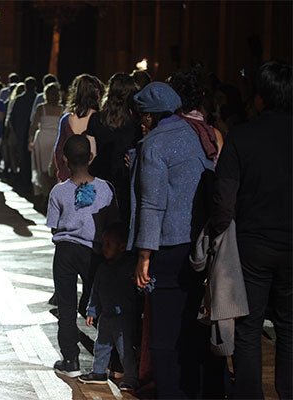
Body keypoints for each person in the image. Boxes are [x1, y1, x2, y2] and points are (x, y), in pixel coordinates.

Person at [130, 82, 227, 398]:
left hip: (168, 246)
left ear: (148, 117)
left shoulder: (155, 143)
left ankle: (170, 392)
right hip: (200, 244)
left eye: (142, 116)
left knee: (163, 331)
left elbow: (152, 203)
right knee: (192, 324)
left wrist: (144, 254)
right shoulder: (198, 134)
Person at [209, 61, 292, 400]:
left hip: (252, 245)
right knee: (289, 328)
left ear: (259, 99)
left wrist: (217, 239)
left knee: (248, 327)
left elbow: (224, 198)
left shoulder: (243, 136)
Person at [46, 134, 117, 378]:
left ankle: (70, 360)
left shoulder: (58, 191)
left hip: (65, 251)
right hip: (94, 252)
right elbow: (112, 224)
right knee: (98, 302)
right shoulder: (106, 188)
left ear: (64, 159)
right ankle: (113, 357)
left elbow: (54, 226)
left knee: (66, 305)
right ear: (91, 157)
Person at [78, 223, 138, 391]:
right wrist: (92, 311)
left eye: (108, 244)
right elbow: (95, 291)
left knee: (125, 350)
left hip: (123, 317)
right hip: (106, 315)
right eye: (103, 244)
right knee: (101, 345)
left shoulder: (129, 268)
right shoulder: (102, 268)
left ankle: (132, 378)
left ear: (122, 247)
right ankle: (99, 372)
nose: (104, 248)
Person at [86, 73, 139, 221]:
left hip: (101, 177)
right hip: (126, 180)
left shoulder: (96, 119)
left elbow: (91, 155)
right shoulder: (136, 124)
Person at [54, 74, 104, 182]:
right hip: (94, 178)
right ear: (97, 94)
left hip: (70, 176)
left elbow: (59, 151)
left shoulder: (66, 120)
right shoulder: (101, 120)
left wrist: (62, 175)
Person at [28, 82, 62, 197]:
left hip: (42, 140)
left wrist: (30, 140)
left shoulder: (41, 108)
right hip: (56, 140)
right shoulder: (63, 109)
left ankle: (45, 193)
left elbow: (33, 125)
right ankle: (53, 194)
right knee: (55, 169)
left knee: (42, 169)